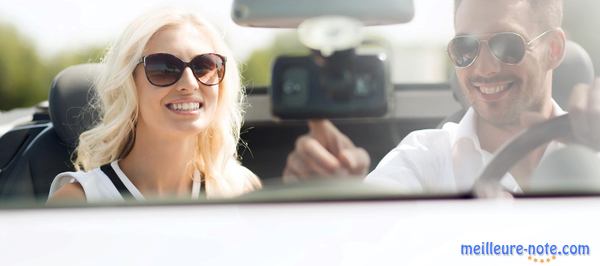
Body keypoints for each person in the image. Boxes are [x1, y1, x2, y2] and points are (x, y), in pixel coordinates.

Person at [283, 0, 600, 193]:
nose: (484, 68)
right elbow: (366, 235)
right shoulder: (423, 158)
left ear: (554, 50)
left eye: (507, 44)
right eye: (465, 48)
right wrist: (337, 197)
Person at [48, 8, 261, 203]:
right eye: (164, 68)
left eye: (204, 66)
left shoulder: (241, 189)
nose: (189, 83)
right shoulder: (79, 200)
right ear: (128, 83)